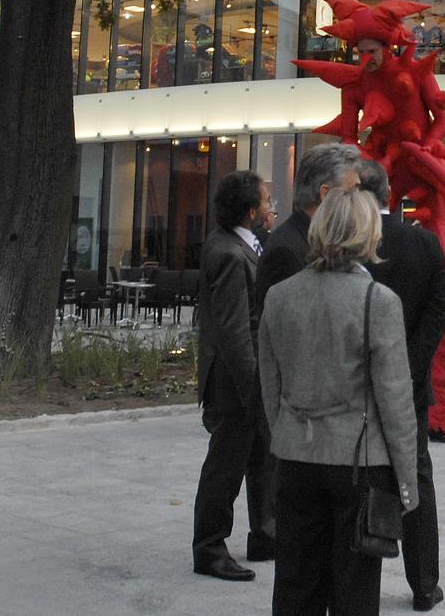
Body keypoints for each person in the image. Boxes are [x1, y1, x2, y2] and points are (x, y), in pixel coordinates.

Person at [258, 187, 418, 613]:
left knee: (295, 584)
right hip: (359, 462)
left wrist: (286, 434)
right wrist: (407, 482)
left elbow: (270, 385)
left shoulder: (279, 295)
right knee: (355, 591)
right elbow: (395, 399)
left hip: (296, 456)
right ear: (367, 234)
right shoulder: (378, 301)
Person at [360, 159, 445, 612]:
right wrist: (411, 365)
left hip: (355, 385)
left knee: (360, 478)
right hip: (410, 384)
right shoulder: (423, 242)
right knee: (415, 477)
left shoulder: (343, 243)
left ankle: (360, 581)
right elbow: (439, 310)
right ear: (388, 193)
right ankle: (424, 583)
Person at [192, 171, 275, 582]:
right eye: (267, 200)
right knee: (226, 466)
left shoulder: (243, 243)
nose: (272, 206)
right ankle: (209, 547)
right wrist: (254, 386)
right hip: (235, 380)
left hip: (248, 375)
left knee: (262, 457)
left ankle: (266, 535)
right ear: (250, 210)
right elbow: (233, 330)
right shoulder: (227, 252)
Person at [262, 142, 363, 291]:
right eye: (352, 192)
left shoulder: (318, 241)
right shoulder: (286, 252)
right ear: (325, 193)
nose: (359, 201)